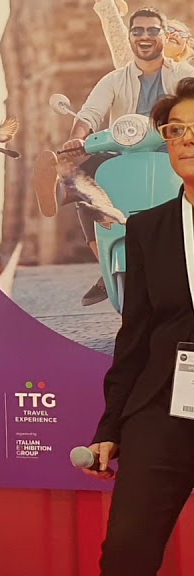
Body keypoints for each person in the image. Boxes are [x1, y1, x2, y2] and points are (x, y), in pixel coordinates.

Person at [82, 77, 194, 575]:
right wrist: (110, 425)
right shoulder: (148, 227)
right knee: (126, 553)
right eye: (175, 130)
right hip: (162, 407)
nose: (186, 140)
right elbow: (135, 336)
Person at [34, 7, 194, 306]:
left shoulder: (183, 74)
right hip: (124, 151)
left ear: (162, 35)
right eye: (138, 30)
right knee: (88, 180)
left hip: (171, 150)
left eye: (152, 30)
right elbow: (90, 113)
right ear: (130, 36)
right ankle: (64, 194)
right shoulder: (114, 79)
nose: (145, 36)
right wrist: (77, 136)